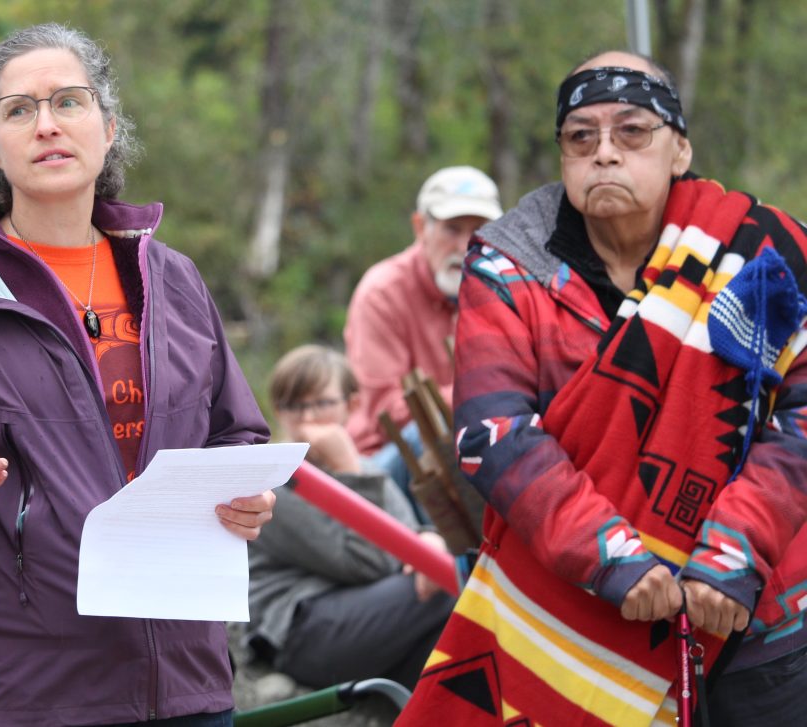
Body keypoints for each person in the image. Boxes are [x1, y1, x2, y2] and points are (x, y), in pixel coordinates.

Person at [0, 24, 274, 727]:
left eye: (67, 102)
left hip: (189, 679)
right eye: (19, 110)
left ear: (108, 128)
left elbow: (238, 434)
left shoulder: (171, 277)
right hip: (26, 689)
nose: (46, 125)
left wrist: (246, 491)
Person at [397, 51, 807, 726]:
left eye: (632, 131)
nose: (604, 153)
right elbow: (493, 431)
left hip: (755, 615)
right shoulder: (509, 266)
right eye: (580, 136)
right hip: (582, 608)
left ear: (679, 149)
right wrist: (611, 555)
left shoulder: (756, 252)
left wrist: (736, 545)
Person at [247, 344, 455, 689]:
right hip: (299, 628)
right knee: (450, 588)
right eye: (293, 406)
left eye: (321, 404)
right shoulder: (274, 483)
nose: (308, 418)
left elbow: (403, 534)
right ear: (277, 411)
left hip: (366, 612)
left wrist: (427, 539)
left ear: (352, 405)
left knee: (451, 642)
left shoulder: (365, 470)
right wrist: (347, 469)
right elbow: (368, 563)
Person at [343, 166, 503, 504]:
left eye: (479, 231)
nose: (465, 245)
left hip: (471, 445)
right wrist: (480, 395)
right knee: (427, 435)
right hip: (386, 459)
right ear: (420, 228)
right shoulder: (382, 292)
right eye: (452, 229)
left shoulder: (503, 291)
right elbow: (386, 411)